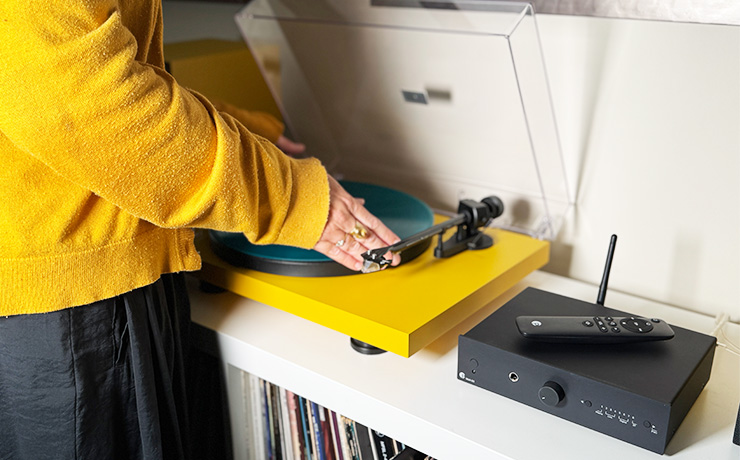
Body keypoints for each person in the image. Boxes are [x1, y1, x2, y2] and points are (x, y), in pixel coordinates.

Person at [0, 1, 399, 459]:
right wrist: (293, 198)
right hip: (69, 312)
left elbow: (105, 68)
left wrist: (254, 134)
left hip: (78, 288)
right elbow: (87, 107)